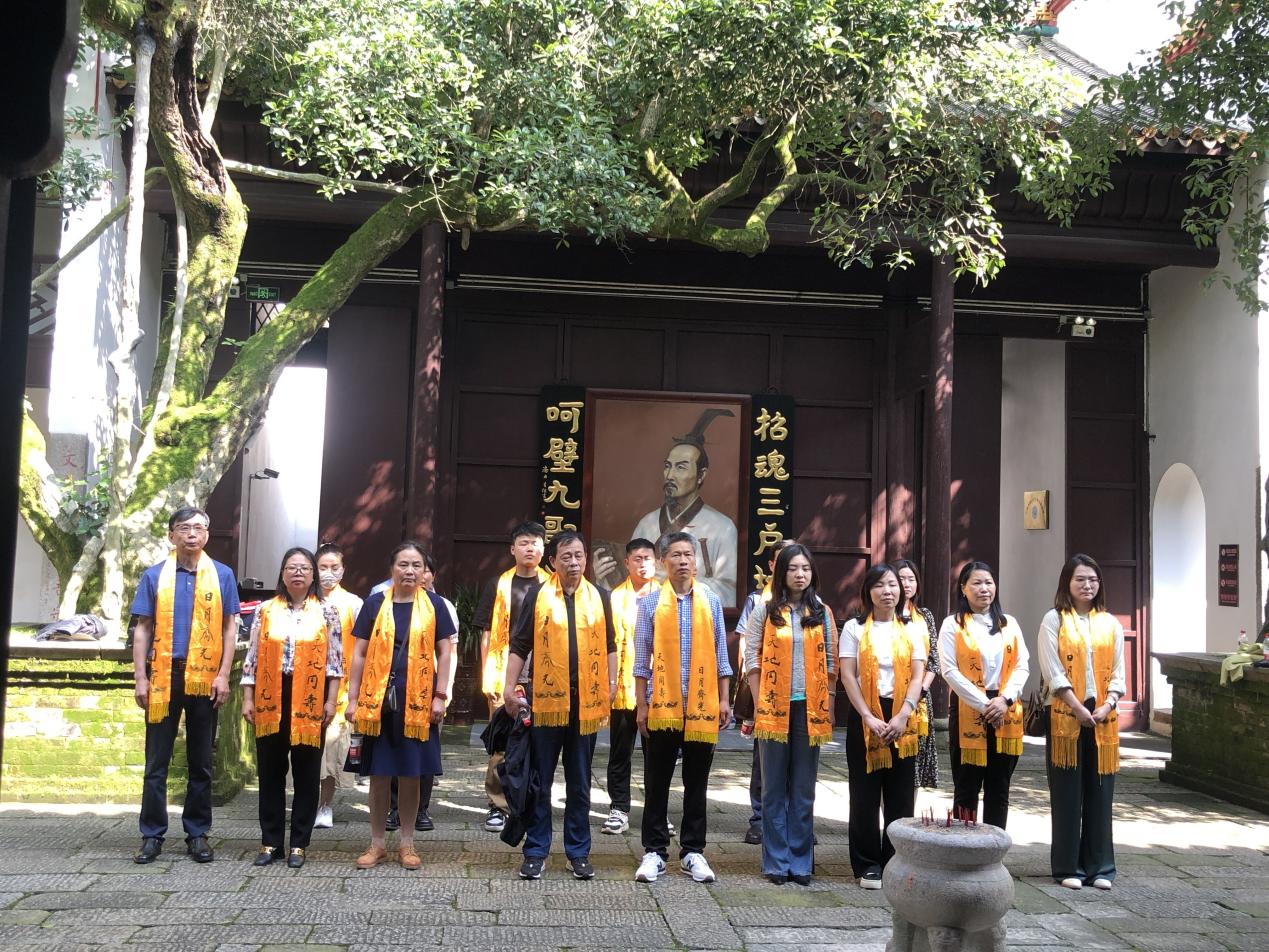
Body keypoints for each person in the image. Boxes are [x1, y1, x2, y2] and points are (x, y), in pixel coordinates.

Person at [502, 531, 617, 879]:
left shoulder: (600, 596)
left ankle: (577, 851)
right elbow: (520, 644)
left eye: (579, 555)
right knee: (540, 779)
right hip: (546, 701)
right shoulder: (538, 595)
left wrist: (612, 685)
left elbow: (611, 645)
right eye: (566, 556)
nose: (574, 562)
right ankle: (536, 850)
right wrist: (508, 687)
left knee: (580, 781)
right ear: (553, 561)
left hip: (586, 702)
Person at [130, 506, 240, 865]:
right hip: (164, 675)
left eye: (198, 528)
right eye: (184, 528)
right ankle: (152, 835)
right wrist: (140, 677)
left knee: (201, 761)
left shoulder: (221, 575)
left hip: (205, 676)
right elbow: (143, 628)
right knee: (156, 761)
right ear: (171, 535)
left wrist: (223, 674)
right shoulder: (155, 575)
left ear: (206, 534)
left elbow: (229, 628)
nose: (192, 534)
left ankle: (197, 833)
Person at [345, 542, 456, 870]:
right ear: (392, 569)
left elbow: (445, 652)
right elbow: (359, 653)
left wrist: (440, 695)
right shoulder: (374, 604)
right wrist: (352, 698)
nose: (410, 571)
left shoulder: (435, 605)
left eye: (416, 565)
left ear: (425, 571)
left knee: (411, 774)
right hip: (377, 701)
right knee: (379, 774)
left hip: (418, 702)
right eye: (403, 564)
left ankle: (407, 843)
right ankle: (377, 843)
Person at [633, 531, 732, 884]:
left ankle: (693, 851)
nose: (683, 560)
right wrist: (641, 704)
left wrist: (724, 699)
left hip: (702, 706)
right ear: (663, 561)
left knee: (697, 782)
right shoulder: (649, 604)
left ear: (696, 560)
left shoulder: (711, 601)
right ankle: (654, 851)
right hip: (662, 706)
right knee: (656, 781)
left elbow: (721, 654)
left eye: (688, 554)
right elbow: (641, 660)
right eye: (675, 554)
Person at [241, 548, 343, 868]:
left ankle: (299, 843)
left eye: (304, 568)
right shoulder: (266, 610)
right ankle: (270, 842)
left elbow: (335, 662)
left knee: (307, 772)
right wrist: (247, 698)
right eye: (291, 567)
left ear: (313, 575)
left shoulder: (327, 611)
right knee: (270, 771)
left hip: (310, 695)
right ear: (282, 574)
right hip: (271, 694)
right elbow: (252, 658)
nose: (298, 573)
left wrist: (330, 700)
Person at [744, 543, 836, 885]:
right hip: (773, 707)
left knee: (803, 787)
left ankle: (800, 860)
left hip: (810, 707)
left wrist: (828, 704)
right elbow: (752, 658)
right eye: (793, 568)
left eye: (806, 568)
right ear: (780, 572)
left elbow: (831, 662)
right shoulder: (765, 610)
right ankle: (775, 860)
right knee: (772, 788)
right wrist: (759, 703)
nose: (800, 574)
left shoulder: (821, 612)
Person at [839, 562, 928, 889]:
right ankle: (866, 863)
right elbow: (848, 675)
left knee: (901, 794)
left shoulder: (913, 628)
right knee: (863, 792)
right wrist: (867, 715)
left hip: (902, 713)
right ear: (868, 591)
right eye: (879, 585)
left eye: (892, 585)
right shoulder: (854, 628)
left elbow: (918, 675)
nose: (887, 591)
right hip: (865, 713)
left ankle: (895, 860)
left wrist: (903, 714)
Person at [1039, 553, 1125, 891]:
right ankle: (1067, 866)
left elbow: (1118, 672)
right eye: (1080, 579)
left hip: (1103, 714)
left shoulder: (1110, 623)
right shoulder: (1054, 620)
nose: (1087, 585)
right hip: (1066, 712)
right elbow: (1052, 670)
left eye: (1092, 579)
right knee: (1067, 793)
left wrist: (1108, 704)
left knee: (1101, 793)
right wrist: (1076, 706)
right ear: (1067, 583)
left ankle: (1100, 866)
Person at [939, 560, 1030, 829]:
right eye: (976, 583)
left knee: (999, 788)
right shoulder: (952, 624)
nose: (984, 589)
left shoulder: (1009, 623)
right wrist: (985, 705)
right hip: (969, 707)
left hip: (1005, 707)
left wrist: (1004, 699)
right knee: (966, 787)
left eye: (988, 582)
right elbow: (950, 671)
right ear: (963, 588)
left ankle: (994, 845)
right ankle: (965, 846)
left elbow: (1022, 665)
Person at [473, 522, 549, 833]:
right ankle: (497, 805)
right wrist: (489, 676)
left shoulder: (551, 585)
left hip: (544, 672)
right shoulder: (498, 584)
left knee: (541, 741)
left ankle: (532, 803)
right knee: (502, 742)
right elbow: (486, 633)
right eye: (524, 543)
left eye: (536, 542)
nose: (530, 548)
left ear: (543, 549)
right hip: (504, 669)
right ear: (512, 549)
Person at [629, 410, 739, 607]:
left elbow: (730, 594)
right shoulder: (647, 524)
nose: (670, 475)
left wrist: (676, 579)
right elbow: (631, 586)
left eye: (680, 467)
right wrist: (608, 576)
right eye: (667, 466)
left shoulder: (723, 527)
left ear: (701, 475)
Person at [734, 538, 794, 845]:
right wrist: (749, 683)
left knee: (798, 759)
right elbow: (745, 641)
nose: (790, 568)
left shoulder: (812, 603)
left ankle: (795, 819)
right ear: (771, 565)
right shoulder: (757, 600)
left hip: (798, 691)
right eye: (783, 561)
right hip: (766, 688)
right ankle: (759, 818)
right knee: (764, 757)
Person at [602, 538, 659, 836]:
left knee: (657, 755)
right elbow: (607, 644)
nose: (643, 564)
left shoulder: (666, 597)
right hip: (624, 687)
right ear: (627, 563)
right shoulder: (614, 598)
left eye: (648, 558)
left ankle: (657, 812)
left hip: (657, 689)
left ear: (656, 562)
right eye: (637, 558)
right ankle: (619, 808)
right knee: (620, 752)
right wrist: (609, 683)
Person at [313, 543, 363, 830]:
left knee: (331, 748)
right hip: (306, 685)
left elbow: (362, 650)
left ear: (343, 570)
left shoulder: (353, 604)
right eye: (323, 567)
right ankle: (306, 801)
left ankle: (325, 804)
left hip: (341, 688)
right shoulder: (305, 600)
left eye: (334, 567)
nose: (328, 573)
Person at [894, 559, 940, 789]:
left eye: (911, 579)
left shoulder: (925, 616)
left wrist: (921, 688)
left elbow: (934, 660)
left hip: (919, 698)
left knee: (916, 762)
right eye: (901, 579)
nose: (907, 584)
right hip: (890, 694)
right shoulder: (881, 615)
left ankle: (909, 809)